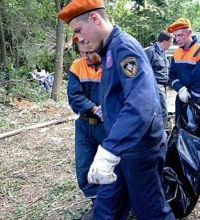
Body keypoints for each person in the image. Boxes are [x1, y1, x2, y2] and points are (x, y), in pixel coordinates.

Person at [58, 1, 175, 219]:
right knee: (106, 207)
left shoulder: (124, 48)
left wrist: (110, 150)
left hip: (140, 149)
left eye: (78, 30)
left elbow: (142, 104)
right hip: (121, 147)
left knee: (151, 211)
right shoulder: (108, 50)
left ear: (94, 19)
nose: (79, 39)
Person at [68, 38, 105, 220]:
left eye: (90, 52)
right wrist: (94, 108)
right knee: (84, 166)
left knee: (112, 165)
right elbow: (74, 96)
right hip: (85, 124)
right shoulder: (77, 66)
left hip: (107, 126)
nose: (86, 57)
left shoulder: (111, 64)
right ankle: (97, 207)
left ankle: (115, 204)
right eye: (82, 53)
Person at [167, 18, 200, 121]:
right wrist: (180, 89)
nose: (177, 39)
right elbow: (172, 75)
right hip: (181, 97)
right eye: (175, 36)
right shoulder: (177, 53)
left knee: (196, 132)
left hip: (197, 101)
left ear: (189, 33)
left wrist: (191, 100)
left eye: (180, 35)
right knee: (180, 128)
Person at [145, 31, 173, 127]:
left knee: (159, 111)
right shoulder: (150, 52)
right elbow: (144, 71)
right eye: (171, 42)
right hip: (155, 85)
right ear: (165, 42)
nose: (172, 44)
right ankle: (161, 133)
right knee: (163, 111)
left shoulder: (163, 53)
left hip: (163, 85)